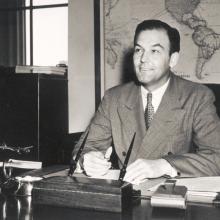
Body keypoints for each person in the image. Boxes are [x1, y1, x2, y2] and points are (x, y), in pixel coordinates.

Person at [74, 19, 220, 184]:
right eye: (139, 50)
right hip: (124, 195)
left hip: (170, 198)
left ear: (172, 59)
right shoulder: (113, 98)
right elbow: (85, 148)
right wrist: (87, 159)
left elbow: (217, 157)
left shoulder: (197, 96)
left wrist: (165, 165)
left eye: (155, 51)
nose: (143, 59)